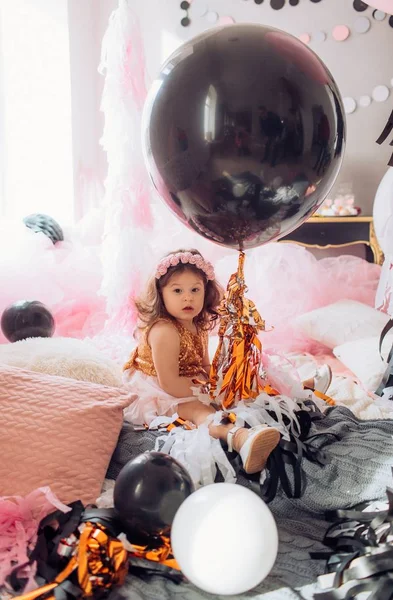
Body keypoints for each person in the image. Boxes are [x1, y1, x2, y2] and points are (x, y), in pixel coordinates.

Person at [123, 248, 332, 482]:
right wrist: (207, 393)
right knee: (198, 409)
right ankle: (239, 437)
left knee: (240, 380)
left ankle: (297, 390)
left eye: (195, 290)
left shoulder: (196, 324)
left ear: (206, 291)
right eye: (177, 291)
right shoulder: (164, 331)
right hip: (156, 391)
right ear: (161, 295)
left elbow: (203, 365)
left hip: (185, 379)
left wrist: (220, 383)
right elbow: (169, 383)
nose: (187, 297)